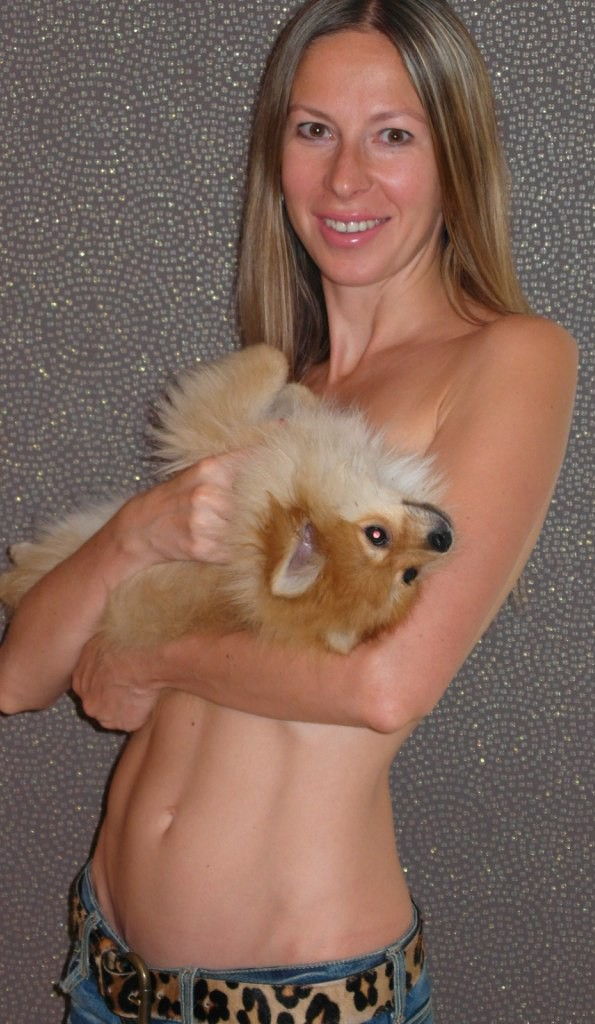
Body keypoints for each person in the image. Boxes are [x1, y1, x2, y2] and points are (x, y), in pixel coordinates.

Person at [0, 1, 577, 1022]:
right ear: (276, 156)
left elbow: (387, 683)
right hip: (105, 972)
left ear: (455, 160)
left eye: (391, 136)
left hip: (299, 994)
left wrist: (153, 659)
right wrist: (136, 532)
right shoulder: (275, 397)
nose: (344, 178)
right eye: (314, 130)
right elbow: (20, 676)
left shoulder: (511, 357)